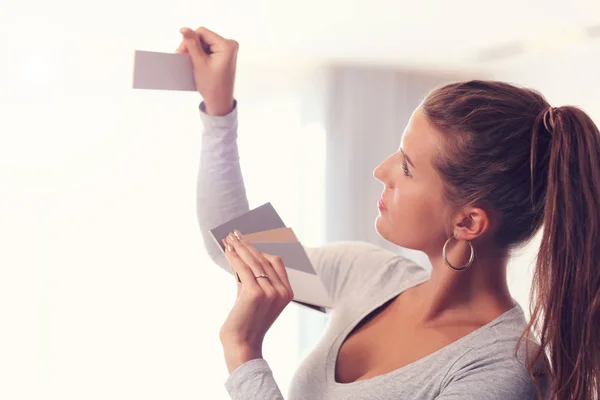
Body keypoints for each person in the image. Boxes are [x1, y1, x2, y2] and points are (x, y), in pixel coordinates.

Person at [177, 25, 600, 400]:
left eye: (408, 167)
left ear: (468, 222)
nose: (382, 170)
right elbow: (232, 244)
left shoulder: (500, 373)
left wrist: (244, 355)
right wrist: (219, 111)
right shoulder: (364, 274)